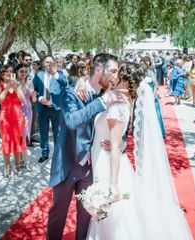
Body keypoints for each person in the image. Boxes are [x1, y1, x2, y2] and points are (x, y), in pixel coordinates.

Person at [87, 62, 192, 239]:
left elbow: (114, 146)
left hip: (107, 163)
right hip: (104, 158)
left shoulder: (117, 106)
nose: (113, 76)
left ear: (125, 80)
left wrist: (113, 183)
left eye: (117, 73)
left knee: (115, 214)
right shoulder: (123, 101)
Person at [46, 53, 125, 240]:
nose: (116, 76)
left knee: (87, 216)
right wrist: (101, 102)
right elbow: (71, 120)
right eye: (113, 71)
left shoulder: (108, 96)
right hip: (67, 163)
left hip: (91, 167)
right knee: (58, 214)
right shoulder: (71, 93)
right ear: (98, 70)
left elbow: (117, 128)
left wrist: (121, 144)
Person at [33, 56, 67, 163]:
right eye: (46, 62)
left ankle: (57, 154)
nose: (48, 64)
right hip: (43, 108)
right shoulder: (38, 75)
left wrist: (55, 74)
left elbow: (65, 84)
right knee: (43, 132)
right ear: (43, 64)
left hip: (56, 108)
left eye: (51, 62)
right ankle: (44, 153)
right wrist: (39, 98)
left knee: (57, 133)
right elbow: (34, 90)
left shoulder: (59, 74)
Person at [0, 64, 26, 177]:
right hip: (5, 118)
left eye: (11, 71)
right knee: (6, 142)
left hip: (18, 118)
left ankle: (17, 165)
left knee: (18, 141)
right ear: (2, 74)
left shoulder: (18, 85)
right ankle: (7, 167)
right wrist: (7, 88)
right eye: (6, 71)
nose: (9, 73)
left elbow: (23, 100)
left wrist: (16, 87)